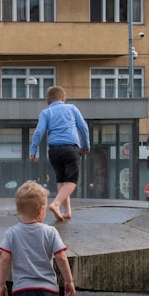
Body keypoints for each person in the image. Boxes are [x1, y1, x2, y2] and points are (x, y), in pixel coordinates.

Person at [0, 181, 76, 296]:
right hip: (48, 290)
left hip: (22, 290)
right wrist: (69, 281)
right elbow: (61, 258)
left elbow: (4, 259)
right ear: (41, 210)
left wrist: (1, 284)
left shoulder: (11, 233)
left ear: (17, 209)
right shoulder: (50, 232)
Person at [29, 86, 90, 222]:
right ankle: (55, 204)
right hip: (70, 149)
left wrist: (33, 150)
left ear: (47, 101)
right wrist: (86, 145)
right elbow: (83, 127)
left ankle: (67, 211)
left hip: (54, 151)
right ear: (63, 98)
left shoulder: (46, 112)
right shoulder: (72, 108)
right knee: (72, 181)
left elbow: (39, 132)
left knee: (61, 180)